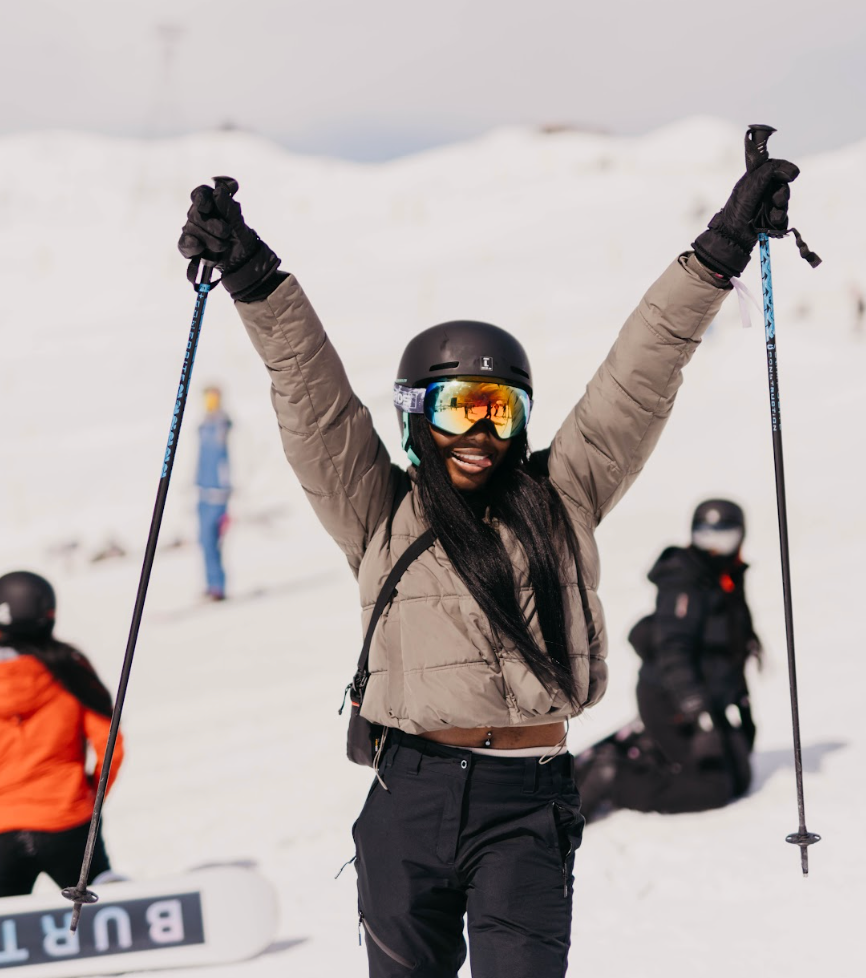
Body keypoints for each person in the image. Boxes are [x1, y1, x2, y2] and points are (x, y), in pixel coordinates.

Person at [176, 151, 801, 977]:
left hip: (527, 802)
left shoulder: (564, 492)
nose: (479, 430)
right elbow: (311, 395)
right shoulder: (378, 508)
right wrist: (255, 279)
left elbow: (641, 374)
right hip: (409, 798)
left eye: (499, 408)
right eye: (456, 406)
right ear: (416, 418)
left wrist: (719, 252)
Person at [0, 571, 123, 898]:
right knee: (101, 919)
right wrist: (91, 796)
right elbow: (112, 747)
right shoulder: (70, 666)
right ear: (48, 616)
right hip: (69, 824)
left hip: (0, 834)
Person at [574, 499, 761, 819]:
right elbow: (674, 653)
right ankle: (615, 776)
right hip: (670, 701)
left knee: (740, 777)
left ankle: (650, 746)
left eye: (724, 537)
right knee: (713, 790)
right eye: (706, 536)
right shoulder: (684, 582)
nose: (714, 548)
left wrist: (740, 703)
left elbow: (729, 645)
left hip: (705, 701)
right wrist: (699, 716)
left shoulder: (727, 580)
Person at [195, 384, 234, 599]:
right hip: (203, 492)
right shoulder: (203, 425)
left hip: (219, 496)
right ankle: (211, 584)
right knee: (204, 542)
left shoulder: (223, 425)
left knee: (214, 542)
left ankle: (219, 586)